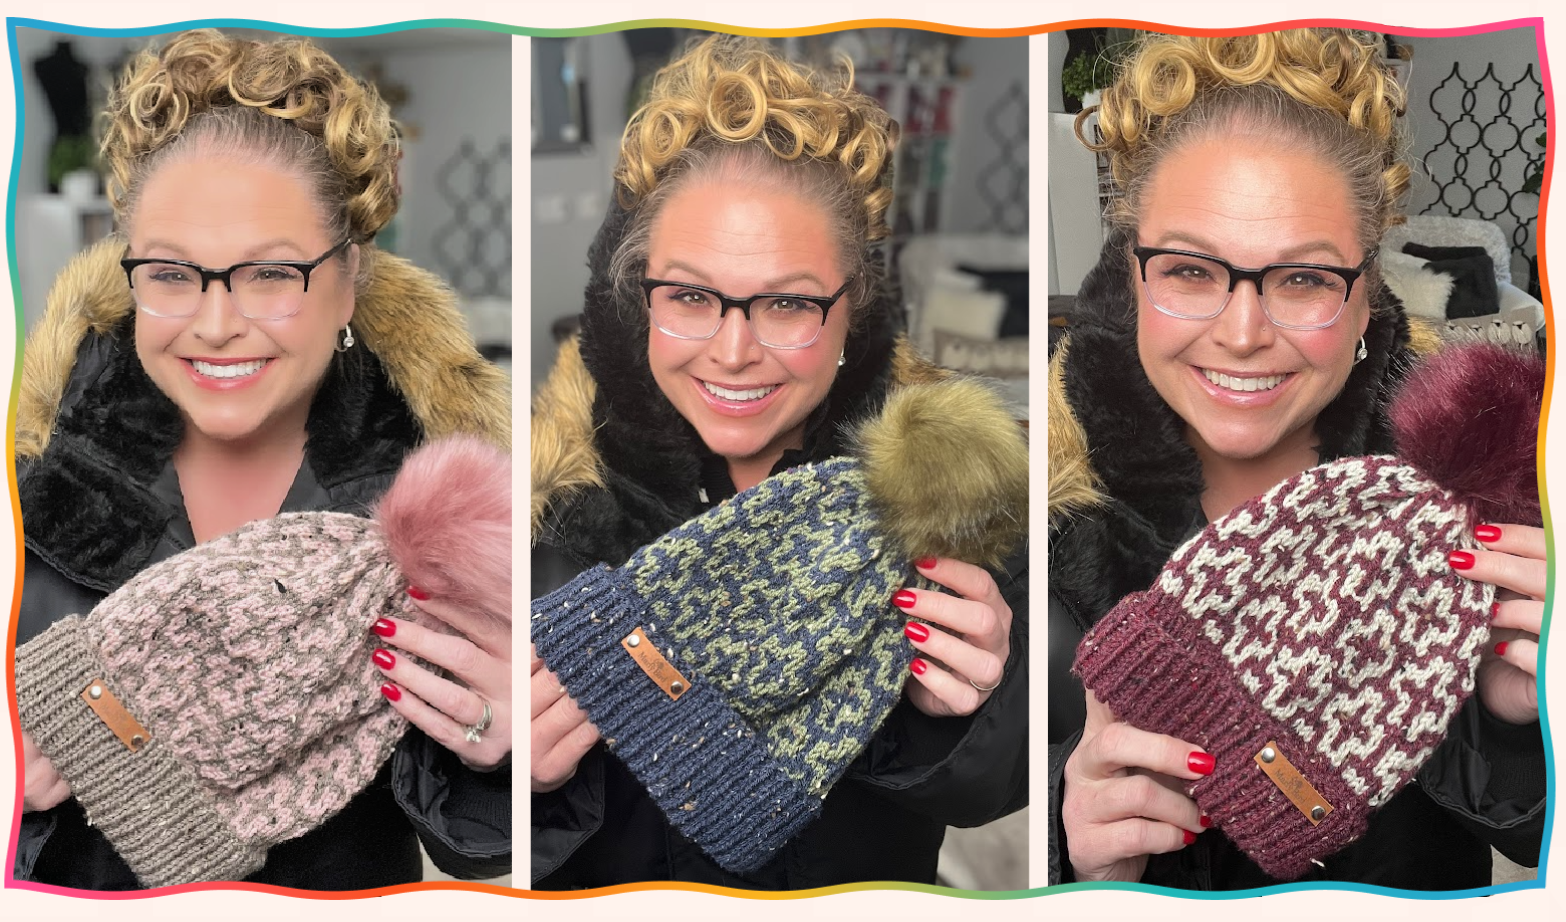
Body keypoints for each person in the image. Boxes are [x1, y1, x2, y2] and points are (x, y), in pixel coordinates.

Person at [13, 29, 513, 890]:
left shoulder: (449, 523)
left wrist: (504, 754)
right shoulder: (31, 490)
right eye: (172, 274)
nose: (214, 324)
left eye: (271, 275)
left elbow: (485, 849)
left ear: (349, 276)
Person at [1047, 28, 1545, 889]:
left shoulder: (1486, 509)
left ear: (1364, 300)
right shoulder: (1044, 521)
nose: (1243, 335)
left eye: (1304, 280)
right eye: (1191, 271)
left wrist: (1524, 727)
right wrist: (1071, 867)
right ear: (1133, 277)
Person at [530, 35, 1029, 889]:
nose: (733, 351)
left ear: (851, 312)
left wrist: (965, 718)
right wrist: (518, 784)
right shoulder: (542, 513)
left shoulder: (942, 499)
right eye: (690, 297)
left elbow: (998, 790)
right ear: (640, 293)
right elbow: (472, 846)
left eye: (787, 304)